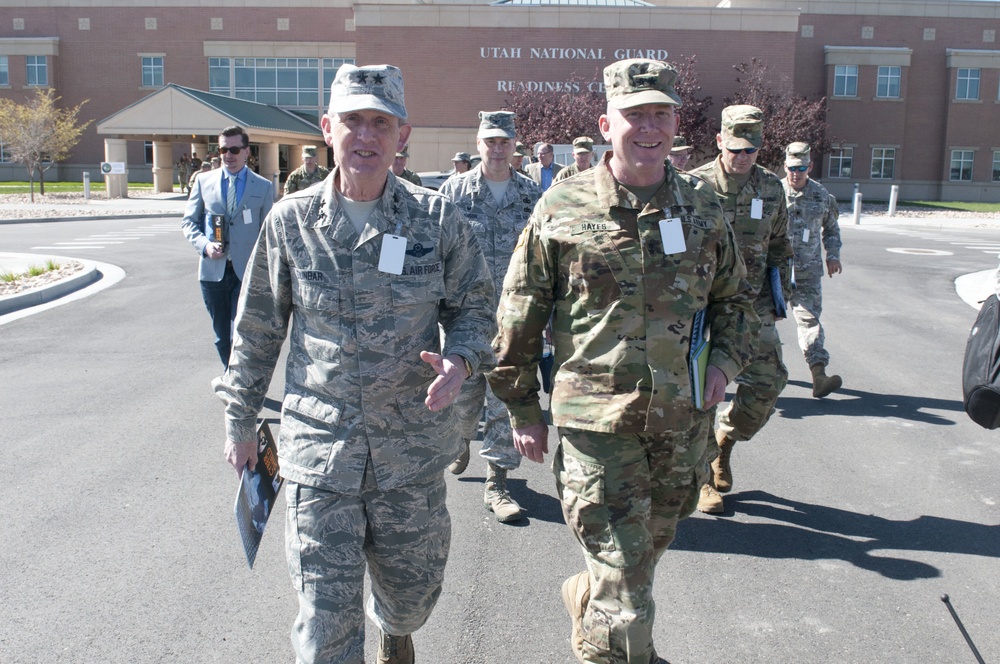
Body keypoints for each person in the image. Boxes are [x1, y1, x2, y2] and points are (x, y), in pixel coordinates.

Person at [212, 63, 495, 664]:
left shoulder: (436, 219)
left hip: (410, 454)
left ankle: (397, 628)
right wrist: (240, 423)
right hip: (320, 453)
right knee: (323, 626)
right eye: (352, 122)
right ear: (326, 129)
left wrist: (462, 361)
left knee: (413, 596)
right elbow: (257, 328)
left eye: (380, 123)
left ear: (402, 134)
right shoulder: (291, 222)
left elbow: (476, 307)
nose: (365, 136)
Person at [488, 58, 754, 664]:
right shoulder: (561, 207)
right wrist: (522, 408)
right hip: (596, 430)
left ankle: (594, 601)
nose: (649, 126)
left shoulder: (704, 209)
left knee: (642, 558)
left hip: (682, 428)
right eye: (635, 114)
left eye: (660, 113)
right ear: (607, 123)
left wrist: (726, 365)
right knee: (628, 596)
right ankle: (619, 645)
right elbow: (520, 313)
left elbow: (738, 298)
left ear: (677, 123)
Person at [688, 105, 793, 514]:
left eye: (751, 149)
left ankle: (725, 442)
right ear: (719, 141)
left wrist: (781, 296)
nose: (743, 157)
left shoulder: (770, 188)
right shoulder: (692, 185)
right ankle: (702, 477)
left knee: (768, 383)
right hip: (699, 307)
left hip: (751, 308)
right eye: (735, 148)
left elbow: (780, 246)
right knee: (698, 396)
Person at [438, 110, 542, 523]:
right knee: (464, 402)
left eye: (505, 142)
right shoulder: (453, 192)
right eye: (490, 141)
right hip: (464, 318)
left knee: (504, 400)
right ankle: (461, 439)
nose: (497, 149)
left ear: (515, 146)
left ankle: (497, 479)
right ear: (478, 144)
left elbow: (544, 259)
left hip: (515, 320)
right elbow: (434, 252)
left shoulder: (533, 195)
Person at [181, 125, 275, 368]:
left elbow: (268, 232)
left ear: (246, 152)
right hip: (213, 272)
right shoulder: (203, 181)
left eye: (234, 149)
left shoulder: (262, 187)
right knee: (222, 334)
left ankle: (241, 378)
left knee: (243, 330)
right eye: (223, 149)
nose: (228, 155)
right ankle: (229, 372)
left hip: (246, 272)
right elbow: (189, 223)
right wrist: (205, 245)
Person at [782, 141, 843, 397]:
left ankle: (819, 375)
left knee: (810, 323)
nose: (796, 173)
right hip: (773, 272)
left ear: (810, 166)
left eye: (802, 168)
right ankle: (756, 375)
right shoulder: (771, 191)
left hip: (807, 273)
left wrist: (833, 254)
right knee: (758, 324)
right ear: (785, 165)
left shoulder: (821, 195)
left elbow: (831, 228)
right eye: (792, 168)